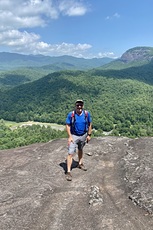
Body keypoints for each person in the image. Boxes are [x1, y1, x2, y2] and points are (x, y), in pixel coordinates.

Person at [65, 99, 92, 181]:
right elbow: (67, 125)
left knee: (80, 149)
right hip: (74, 136)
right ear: (75, 106)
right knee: (70, 153)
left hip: (83, 135)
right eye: (78, 105)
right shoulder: (71, 114)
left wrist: (89, 135)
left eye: (81, 105)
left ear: (83, 106)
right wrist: (70, 136)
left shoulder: (86, 114)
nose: (79, 106)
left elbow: (90, 124)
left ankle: (80, 163)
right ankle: (68, 172)